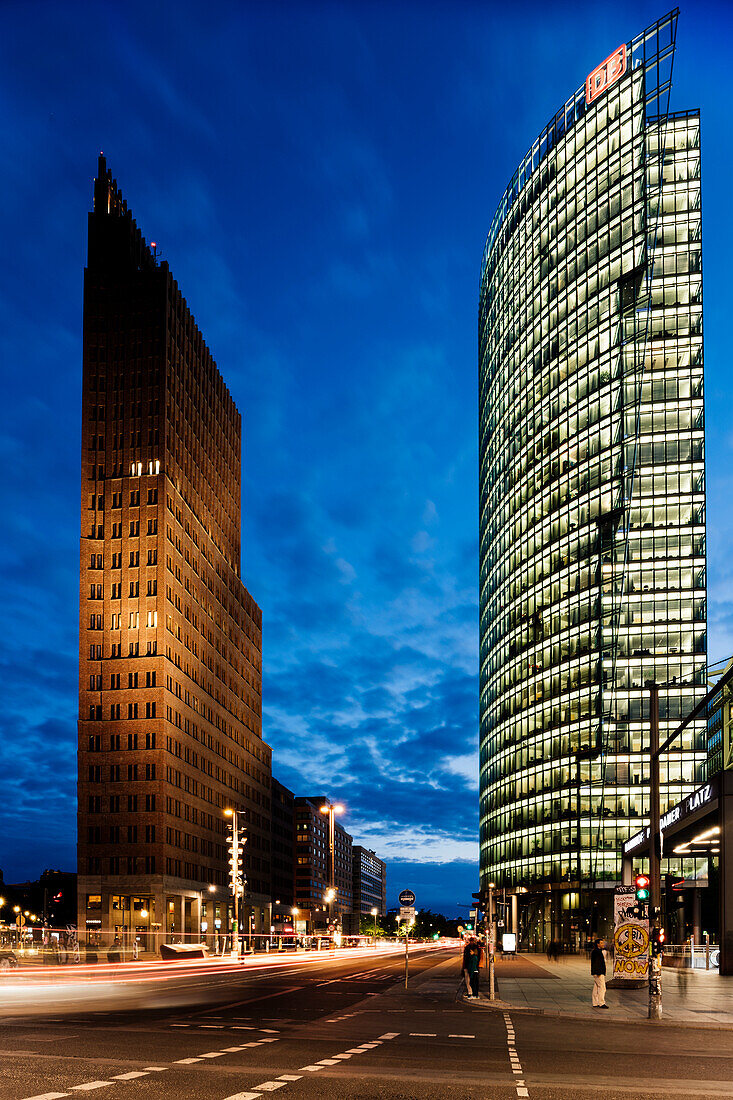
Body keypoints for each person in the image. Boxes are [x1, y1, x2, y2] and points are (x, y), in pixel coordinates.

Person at [590, 938, 609, 1008]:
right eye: (601, 943)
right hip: (599, 972)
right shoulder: (597, 952)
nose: (603, 944)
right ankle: (601, 1003)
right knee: (602, 987)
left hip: (596, 972)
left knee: (596, 987)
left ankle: (595, 1002)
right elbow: (597, 963)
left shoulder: (596, 951)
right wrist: (598, 973)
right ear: (598, 944)